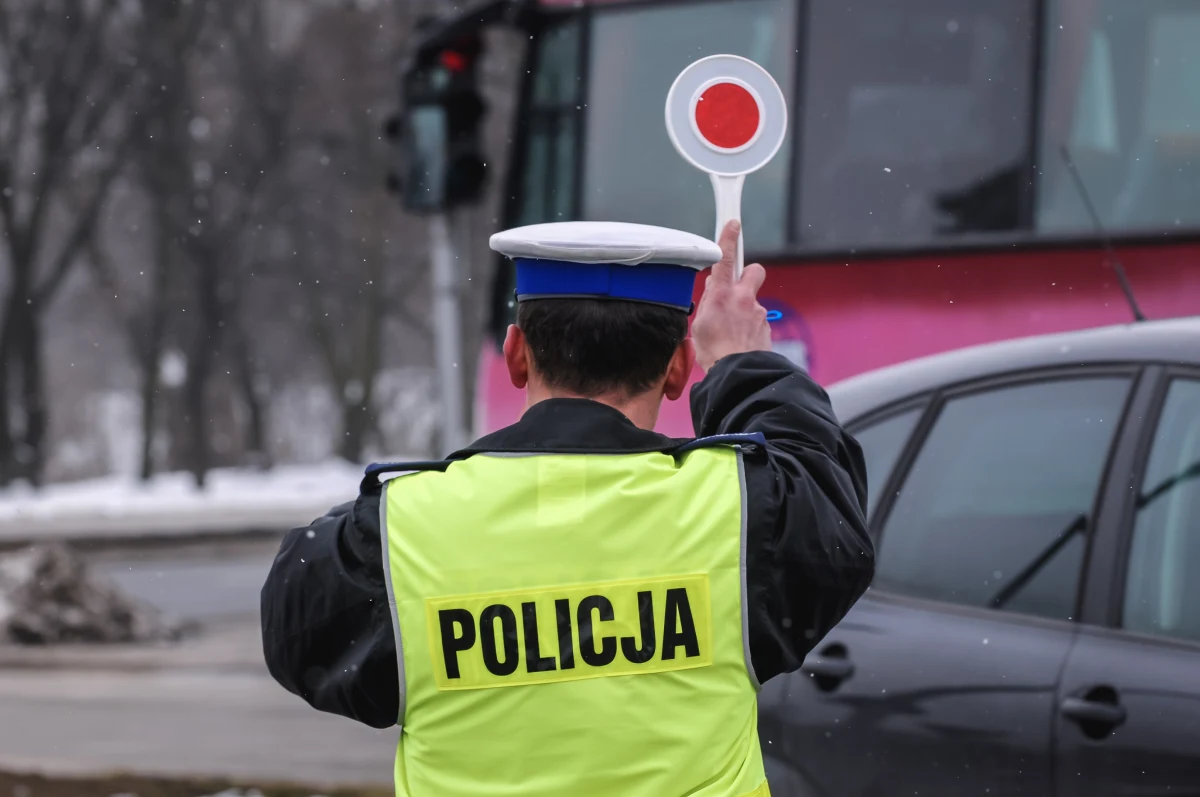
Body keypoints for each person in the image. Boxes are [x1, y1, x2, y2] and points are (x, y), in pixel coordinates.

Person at [260, 219, 875, 797]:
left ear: (517, 355)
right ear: (679, 370)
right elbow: (829, 501)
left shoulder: (398, 533)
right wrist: (745, 368)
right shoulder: (740, 515)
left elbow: (296, 628)